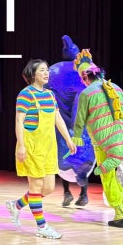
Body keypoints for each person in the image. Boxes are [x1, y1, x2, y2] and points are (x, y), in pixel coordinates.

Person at [5, 58, 77, 240]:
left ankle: (17, 205)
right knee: (36, 187)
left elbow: (57, 118)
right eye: (42, 70)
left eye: (47, 70)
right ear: (33, 74)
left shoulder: (50, 95)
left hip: (49, 147)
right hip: (32, 146)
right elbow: (19, 121)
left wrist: (68, 139)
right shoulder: (25, 94)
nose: (46, 73)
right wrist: (21, 145)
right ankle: (42, 227)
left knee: (49, 188)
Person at [72, 49, 123, 228]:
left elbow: (80, 119)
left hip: (103, 141)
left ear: (85, 77)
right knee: (112, 174)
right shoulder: (117, 88)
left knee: (107, 176)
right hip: (121, 138)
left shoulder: (87, 93)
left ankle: (120, 213)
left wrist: (77, 136)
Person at [47, 35, 95, 207]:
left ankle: (67, 192)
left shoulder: (54, 70)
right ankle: (83, 194)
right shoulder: (82, 72)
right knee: (82, 156)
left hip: (60, 120)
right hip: (79, 123)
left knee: (63, 153)